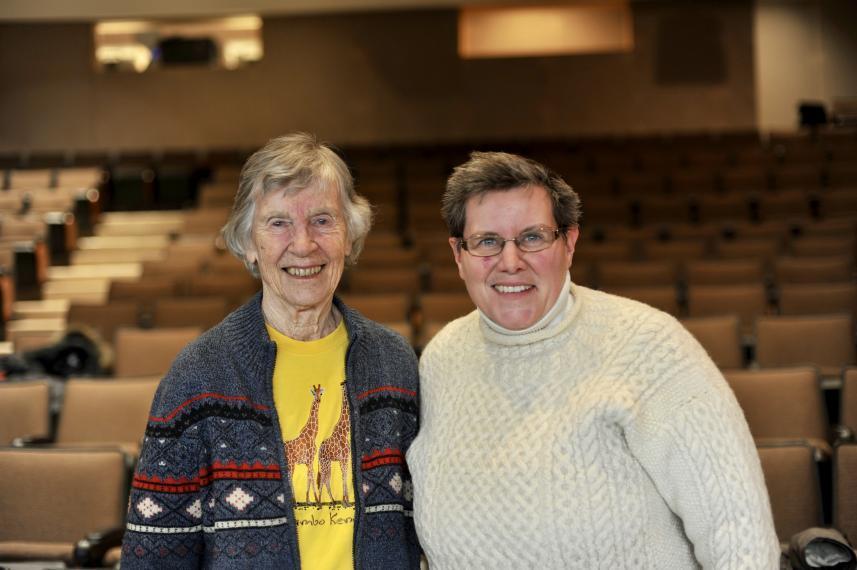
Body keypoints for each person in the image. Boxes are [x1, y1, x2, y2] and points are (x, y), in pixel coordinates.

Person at [406, 151, 779, 568]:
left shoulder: (648, 346)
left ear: (569, 242)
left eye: (533, 237)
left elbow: (737, 530)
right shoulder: (441, 358)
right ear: (459, 255)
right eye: (487, 242)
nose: (510, 262)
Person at [121, 133, 421, 569]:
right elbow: (152, 557)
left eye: (323, 220)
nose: (303, 245)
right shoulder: (198, 376)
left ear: (349, 236)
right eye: (278, 223)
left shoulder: (394, 363)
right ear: (247, 242)